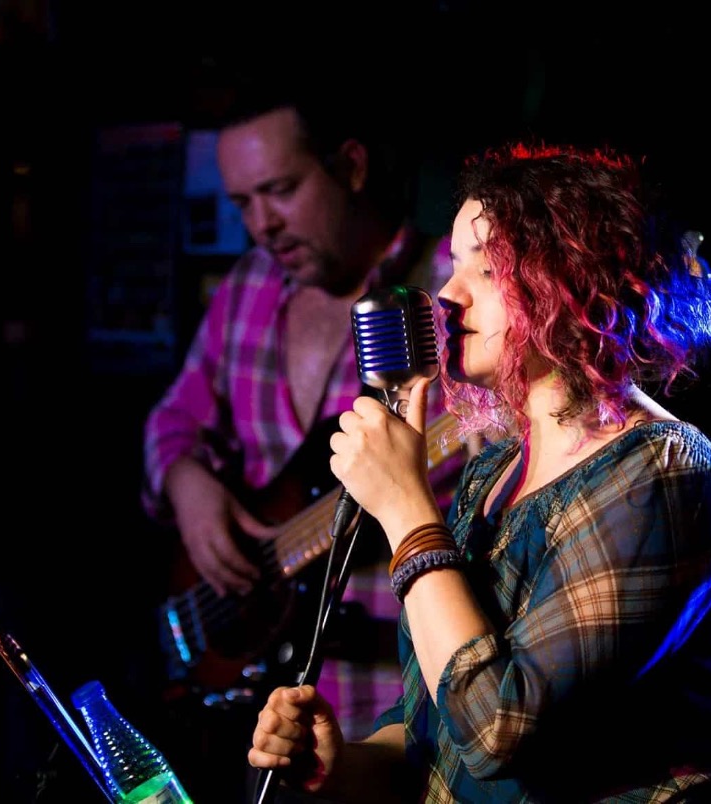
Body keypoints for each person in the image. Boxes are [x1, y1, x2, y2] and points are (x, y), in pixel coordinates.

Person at [246, 141, 711, 802]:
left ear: (573, 281)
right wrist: (341, 765)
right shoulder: (493, 472)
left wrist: (405, 509)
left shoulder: (662, 475)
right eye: (454, 264)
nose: (446, 296)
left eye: (485, 268)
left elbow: (497, 730)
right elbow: (436, 730)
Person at [139, 69, 469, 802]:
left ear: (350, 166)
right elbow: (171, 421)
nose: (262, 225)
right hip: (264, 716)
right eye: (242, 203)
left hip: (399, 713)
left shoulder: (455, 291)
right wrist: (187, 486)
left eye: (281, 191)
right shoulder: (246, 289)